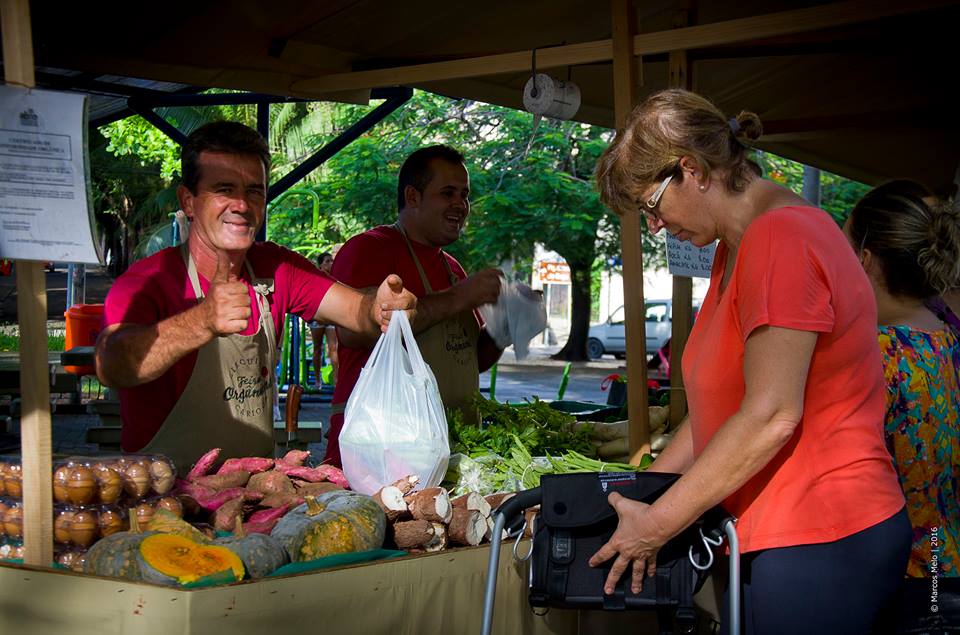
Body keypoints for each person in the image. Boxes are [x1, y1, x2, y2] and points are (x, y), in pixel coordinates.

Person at [590, 89, 909, 634]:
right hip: (775, 533)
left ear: (691, 170)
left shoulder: (781, 236)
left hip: (823, 534)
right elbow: (721, 411)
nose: (655, 226)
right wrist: (638, 494)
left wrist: (659, 522)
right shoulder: (734, 247)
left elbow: (769, 414)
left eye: (651, 206)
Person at [95, 121, 415, 473]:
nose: (242, 205)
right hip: (164, 502)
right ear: (188, 200)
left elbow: (355, 309)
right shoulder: (148, 281)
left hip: (254, 502)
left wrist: (381, 306)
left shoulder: (275, 267)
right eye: (224, 189)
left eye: (254, 191)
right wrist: (201, 320)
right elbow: (112, 365)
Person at [324, 145, 503, 466]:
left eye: (465, 195)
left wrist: (505, 326)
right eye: (447, 193)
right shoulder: (368, 250)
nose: (460, 205)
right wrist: (459, 297)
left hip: (450, 452)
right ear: (413, 196)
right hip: (377, 457)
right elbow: (353, 336)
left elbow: (470, 359)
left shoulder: (453, 268)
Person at [844, 180, 960, 633]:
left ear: (865, 261)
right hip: (943, 555)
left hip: (905, 572)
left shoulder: (880, 350)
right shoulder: (946, 337)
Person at [308, 251, 339, 388]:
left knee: (333, 347)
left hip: (331, 316)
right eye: (327, 261)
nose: (330, 263)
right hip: (318, 316)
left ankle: (337, 380)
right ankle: (317, 380)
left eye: (331, 261)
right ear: (320, 265)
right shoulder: (315, 277)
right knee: (317, 348)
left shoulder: (336, 278)